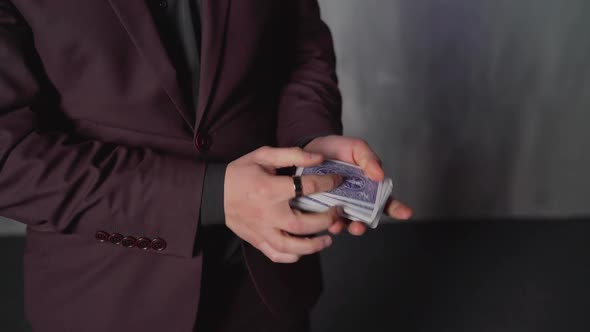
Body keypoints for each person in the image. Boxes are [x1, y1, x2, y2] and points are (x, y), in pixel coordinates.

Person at [0, 0, 412, 331]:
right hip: (106, 297)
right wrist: (206, 196)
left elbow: (301, 47)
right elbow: (8, 158)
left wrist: (308, 141)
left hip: (265, 290)